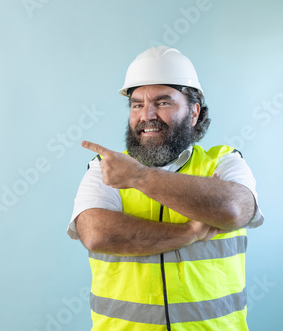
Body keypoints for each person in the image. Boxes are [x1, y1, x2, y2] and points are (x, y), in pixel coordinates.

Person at [67, 46, 264, 331]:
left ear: (194, 112)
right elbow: (98, 234)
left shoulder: (224, 161)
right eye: (136, 105)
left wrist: (139, 178)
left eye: (163, 103)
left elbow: (234, 210)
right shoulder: (104, 167)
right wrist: (188, 233)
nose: (147, 115)